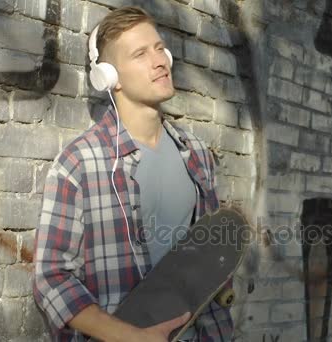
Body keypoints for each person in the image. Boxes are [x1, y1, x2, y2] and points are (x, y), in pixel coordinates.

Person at [33, 6, 233, 341]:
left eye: (159, 49)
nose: (159, 61)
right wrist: (130, 336)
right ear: (109, 77)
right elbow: (51, 277)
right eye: (140, 54)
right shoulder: (81, 163)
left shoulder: (196, 154)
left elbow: (210, 255)